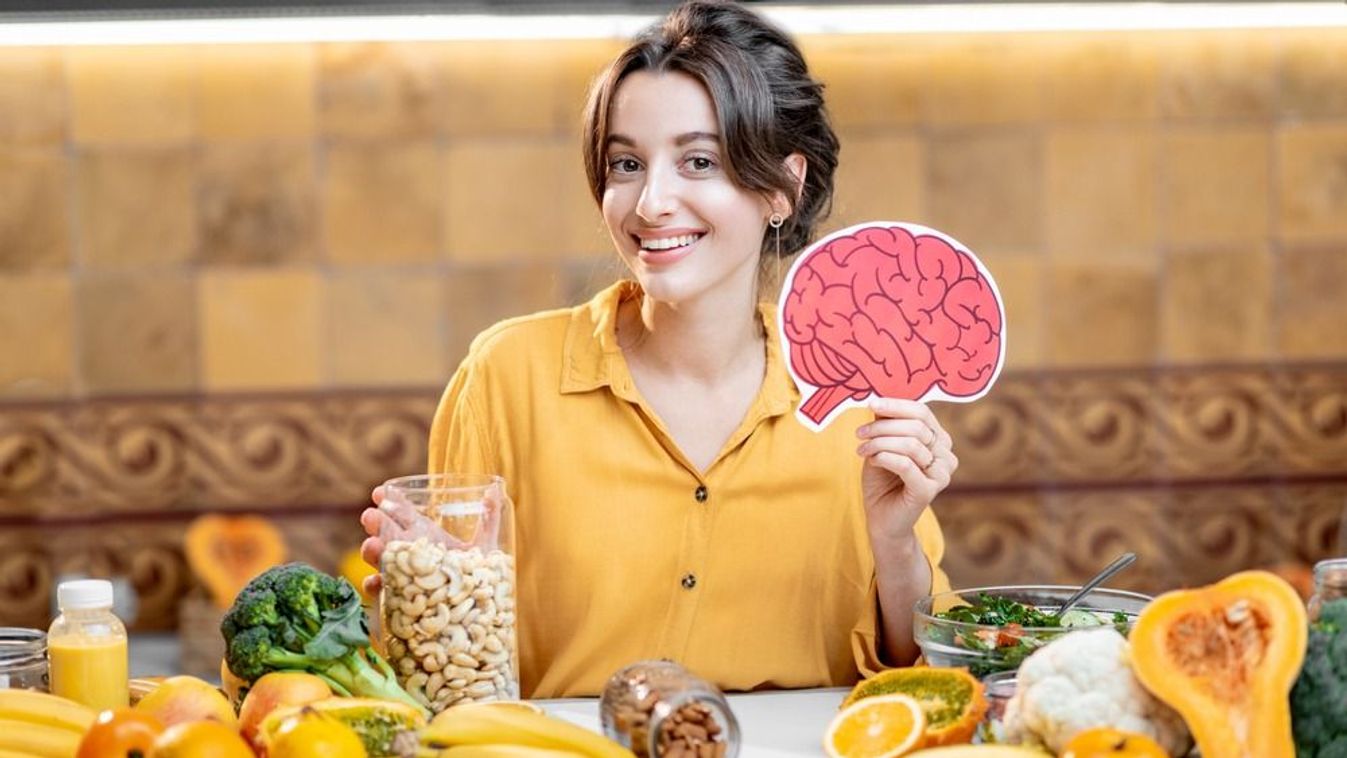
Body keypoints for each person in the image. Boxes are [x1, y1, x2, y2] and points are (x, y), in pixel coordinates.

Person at [361, 0, 958, 699]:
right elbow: (451, 676)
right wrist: (432, 600)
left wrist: (893, 542)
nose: (651, 203)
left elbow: (929, 686)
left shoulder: (859, 397)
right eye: (625, 164)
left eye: (698, 161)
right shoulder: (507, 376)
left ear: (782, 188)